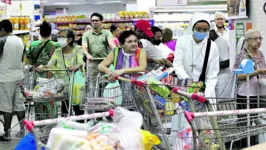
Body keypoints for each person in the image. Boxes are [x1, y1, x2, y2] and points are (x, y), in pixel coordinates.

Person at [36, 29, 85, 117]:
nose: (59, 39)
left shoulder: (78, 49)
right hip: (64, 84)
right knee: (65, 106)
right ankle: (65, 126)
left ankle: (80, 126)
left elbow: (80, 62)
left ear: (69, 40)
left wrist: (76, 67)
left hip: (76, 84)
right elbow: (49, 65)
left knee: (78, 109)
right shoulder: (58, 51)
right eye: (58, 37)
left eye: (62, 37)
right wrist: (42, 66)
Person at [173, 13, 219, 99]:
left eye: (205, 29)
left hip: (205, 90)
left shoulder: (212, 46)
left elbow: (212, 74)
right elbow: (177, 64)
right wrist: (188, 81)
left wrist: (206, 94)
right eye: (198, 29)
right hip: (185, 86)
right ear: (192, 28)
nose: (201, 32)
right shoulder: (182, 41)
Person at [233, 29, 266, 148]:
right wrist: (257, 71)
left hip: (259, 94)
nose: (258, 41)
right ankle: (242, 146)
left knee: (257, 121)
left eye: (260, 38)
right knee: (244, 122)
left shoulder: (261, 54)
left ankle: (255, 144)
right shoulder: (242, 55)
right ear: (247, 40)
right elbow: (240, 76)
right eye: (255, 38)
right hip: (245, 94)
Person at [26, 21, 60, 117]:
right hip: (52, 76)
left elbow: (30, 60)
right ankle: (52, 120)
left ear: (39, 32)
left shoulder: (33, 44)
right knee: (51, 98)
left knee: (39, 97)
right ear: (50, 32)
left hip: (37, 76)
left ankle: (40, 122)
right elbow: (59, 61)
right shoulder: (56, 45)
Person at [0, 20, 26, 141]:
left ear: (3, 30)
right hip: (19, 76)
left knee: (7, 107)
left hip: (5, 78)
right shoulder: (20, 40)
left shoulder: (2, 41)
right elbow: (22, 58)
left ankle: (7, 133)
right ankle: (22, 130)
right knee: (19, 104)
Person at [82, 12, 115, 88]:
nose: (94, 22)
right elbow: (84, 47)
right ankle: (92, 99)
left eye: (96, 20)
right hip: (92, 63)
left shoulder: (107, 33)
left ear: (101, 21)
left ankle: (106, 99)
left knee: (105, 84)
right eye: (93, 21)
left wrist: (115, 51)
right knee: (92, 86)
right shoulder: (86, 34)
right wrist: (87, 55)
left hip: (105, 63)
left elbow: (111, 44)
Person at [209, 11, 234, 98]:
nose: (220, 21)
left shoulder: (229, 32)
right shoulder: (211, 33)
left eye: (221, 19)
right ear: (215, 20)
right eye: (218, 19)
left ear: (225, 20)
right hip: (218, 63)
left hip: (229, 62)